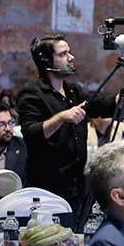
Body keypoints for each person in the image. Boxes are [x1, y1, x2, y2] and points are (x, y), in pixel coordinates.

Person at [18, 33, 94, 219]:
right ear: (46, 61)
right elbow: (31, 133)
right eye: (63, 54)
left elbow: (101, 105)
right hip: (48, 190)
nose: (71, 57)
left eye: (69, 52)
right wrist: (61, 117)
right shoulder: (32, 93)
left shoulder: (73, 91)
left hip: (78, 186)